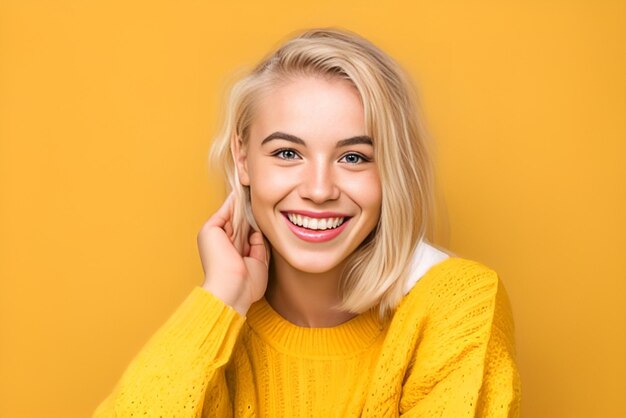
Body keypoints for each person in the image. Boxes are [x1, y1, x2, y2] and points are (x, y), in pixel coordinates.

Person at [93, 27, 521, 417]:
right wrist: (221, 299)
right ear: (243, 159)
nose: (319, 190)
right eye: (287, 153)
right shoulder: (216, 326)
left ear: (392, 168)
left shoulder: (458, 304)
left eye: (353, 157)